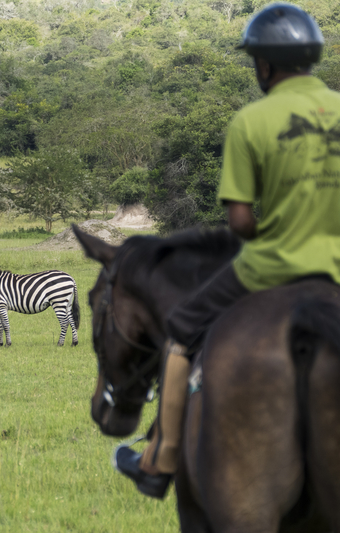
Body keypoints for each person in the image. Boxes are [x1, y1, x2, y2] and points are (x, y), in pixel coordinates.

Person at [114, 2, 340, 499]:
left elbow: (239, 221)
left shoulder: (252, 120)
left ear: (263, 64)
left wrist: (277, 234)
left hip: (269, 267)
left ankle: (162, 458)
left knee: (179, 331)